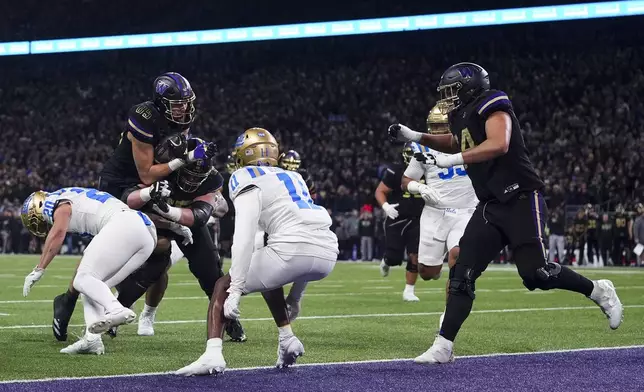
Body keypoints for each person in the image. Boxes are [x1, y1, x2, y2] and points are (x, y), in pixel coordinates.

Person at [389, 62, 623, 364]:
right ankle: (443, 345)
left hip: (521, 197)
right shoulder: (460, 115)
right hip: (490, 205)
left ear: (470, 86)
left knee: (536, 274)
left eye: (452, 90)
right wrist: (418, 136)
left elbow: (499, 143)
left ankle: (598, 291)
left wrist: (452, 160)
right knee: (462, 275)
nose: (448, 98)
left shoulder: (493, 102)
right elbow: (456, 140)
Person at [50, 72, 212, 342]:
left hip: (149, 186)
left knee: (158, 248)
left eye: (186, 102)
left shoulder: (182, 120)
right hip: (121, 185)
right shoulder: (143, 116)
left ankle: (118, 305)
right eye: (178, 103)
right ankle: (68, 299)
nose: (184, 108)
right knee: (106, 253)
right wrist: (185, 159)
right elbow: (147, 173)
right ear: (161, 103)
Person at [175, 128, 338, 376]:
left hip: (292, 249)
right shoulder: (293, 176)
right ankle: (287, 338)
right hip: (328, 251)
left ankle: (212, 355)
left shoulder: (243, 175)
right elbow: (305, 239)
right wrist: (295, 298)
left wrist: (236, 288)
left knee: (221, 285)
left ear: (243, 154)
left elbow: (245, 235)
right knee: (267, 273)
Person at [20, 187, 159, 354]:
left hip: (124, 224)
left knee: (82, 279)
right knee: (92, 287)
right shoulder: (73, 194)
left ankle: (116, 309)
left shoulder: (53, 201)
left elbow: (58, 232)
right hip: (145, 232)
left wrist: (39, 268)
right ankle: (92, 340)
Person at [401, 104, 478, 321]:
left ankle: (448, 315)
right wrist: (420, 187)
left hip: (465, 211)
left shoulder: (470, 142)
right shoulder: (422, 149)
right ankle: (437, 265)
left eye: (442, 126)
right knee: (427, 272)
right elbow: (406, 180)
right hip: (434, 212)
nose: (437, 131)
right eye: (433, 126)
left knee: (457, 256)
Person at [374, 143, 425, 301]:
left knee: (415, 255)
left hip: (418, 218)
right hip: (397, 218)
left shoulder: (428, 169)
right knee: (394, 258)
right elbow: (380, 191)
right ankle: (387, 261)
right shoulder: (396, 170)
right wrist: (386, 206)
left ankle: (409, 290)